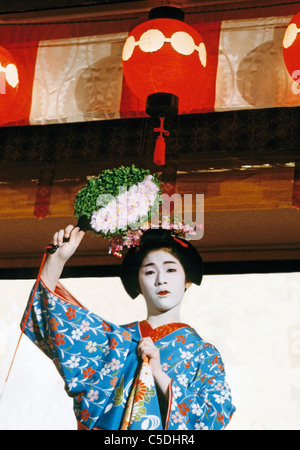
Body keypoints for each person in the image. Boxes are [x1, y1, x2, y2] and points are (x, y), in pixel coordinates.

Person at [21, 225, 235, 430]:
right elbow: (47, 319)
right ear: (138, 283)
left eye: (170, 269)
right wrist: (56, 261)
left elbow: (213, 418)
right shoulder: (115, 342)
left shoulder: (204, 354)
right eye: (150, 272)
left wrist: (159, 374)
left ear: (187, 279)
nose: (161, 280)